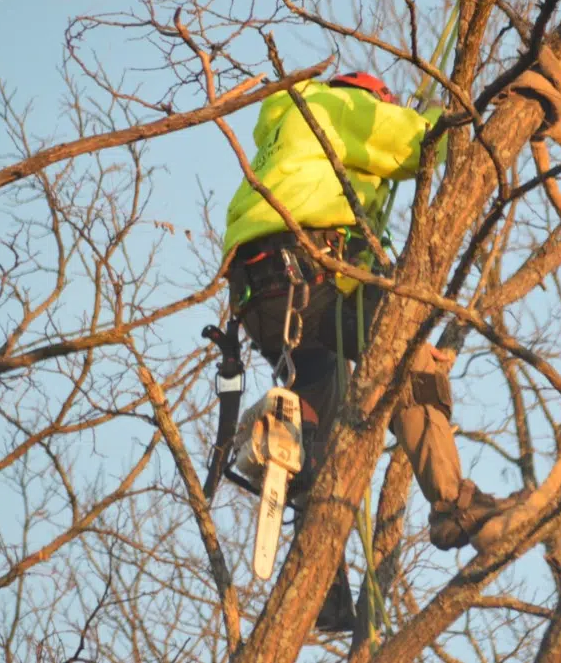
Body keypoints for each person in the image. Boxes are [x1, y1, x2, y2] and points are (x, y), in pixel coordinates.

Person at [222, 71, 531, 631]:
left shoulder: (281, 136)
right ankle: (454, 507)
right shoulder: (335, 104)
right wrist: (483, 114)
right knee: (409, 348)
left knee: (318, 426)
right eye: (381, 101)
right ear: (367, 94)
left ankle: (324, 590)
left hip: (264, 301)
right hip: (311, 274)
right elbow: (417, 140)